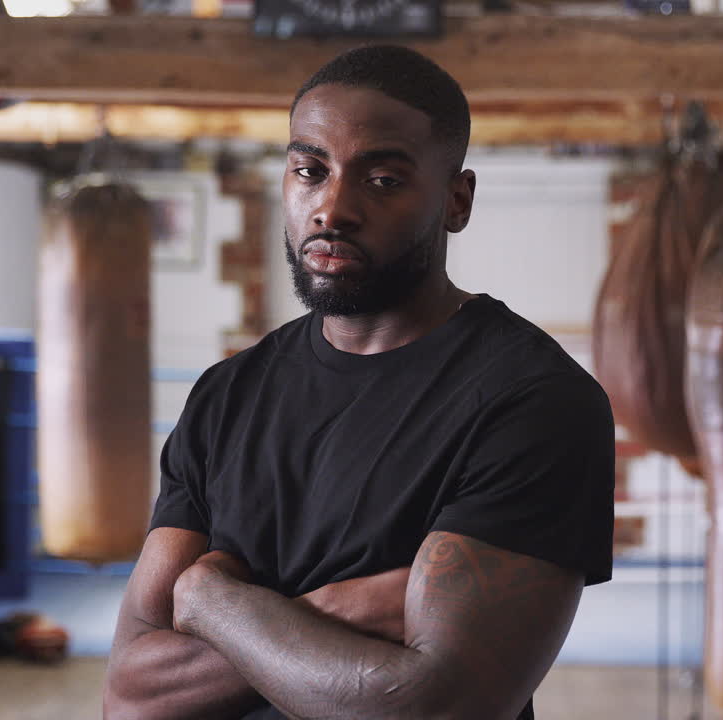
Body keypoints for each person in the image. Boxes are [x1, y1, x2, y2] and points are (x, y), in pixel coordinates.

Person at [102, 45, 616, 720]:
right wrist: (345, 611)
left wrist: (212, 602)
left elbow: (436, 707)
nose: (332, 208)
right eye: (309, 170)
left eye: (382, 180)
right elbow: (131, 695)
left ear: (456, 200)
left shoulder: (536, 403)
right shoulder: (225, 396)